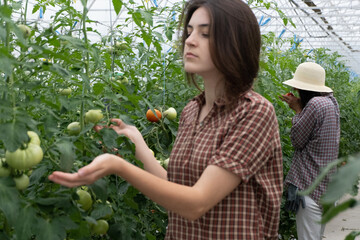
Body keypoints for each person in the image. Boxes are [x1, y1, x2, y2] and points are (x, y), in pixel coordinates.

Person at [49, 0, 283, 239]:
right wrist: (139, 146)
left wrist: (119, 166)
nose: (190, 40)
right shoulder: (192, 111)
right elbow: (177, 190)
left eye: (205, 34)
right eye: (189, 31)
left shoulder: (253, 112)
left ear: (235, 43)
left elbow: (196, 203)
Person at [280, 62, 340, 240]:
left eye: (297, 88)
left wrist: (298, 110)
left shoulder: (314, 104)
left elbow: (297, 141)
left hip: (309, 187)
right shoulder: (331, 102)